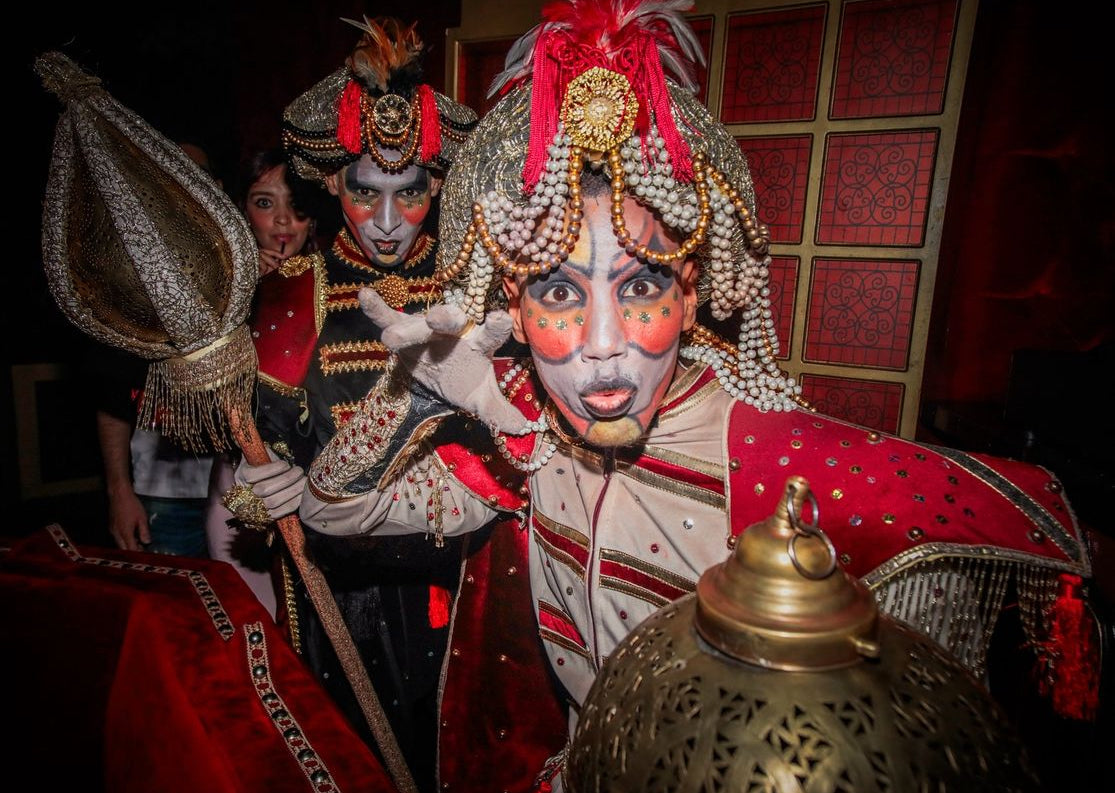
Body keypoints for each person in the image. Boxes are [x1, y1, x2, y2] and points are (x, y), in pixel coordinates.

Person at [235, 2, 1101, 789]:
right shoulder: (525, 436)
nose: (603, 345)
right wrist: (413, 395)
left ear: (691, 291)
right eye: (560, 294)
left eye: (642, 285)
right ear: (513, 307)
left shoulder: (782, 474)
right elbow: (336, 510)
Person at [220, 17, 480, 792]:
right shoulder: (292, 292)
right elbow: (264, 448)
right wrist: (262, 489)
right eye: (367, 192)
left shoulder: (477, 289)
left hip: (460, 566)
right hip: (342, 581)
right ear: (333, 184)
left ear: (436, 184)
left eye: (411, 193)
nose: (392, 221)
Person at [205, 146, 326, 618]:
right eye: (263, 202)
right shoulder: (216, 292)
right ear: (240, 209)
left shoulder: (338, 285)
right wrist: (238, 296)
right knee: (252, 631)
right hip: (239, 494)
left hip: (317, 497)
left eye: (295, 207)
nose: (281, 222)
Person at [93, 140, 221, 557]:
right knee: (177, 613)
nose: (180, 186)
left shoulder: (242, 267)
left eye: (192, 176)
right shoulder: (128, 283)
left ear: (214, 187)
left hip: (248, 488)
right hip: (166, 491)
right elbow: (111, 396)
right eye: (167, 175)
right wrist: (119, 491)